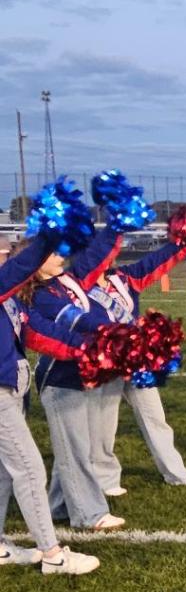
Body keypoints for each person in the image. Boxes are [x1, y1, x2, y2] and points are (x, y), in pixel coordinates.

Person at [1, 235, 100, 573]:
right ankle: (52, 555)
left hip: (12, 391)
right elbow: (23, 266)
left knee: (4, 473)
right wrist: (52, 232)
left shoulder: (11, 301)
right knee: (30, 470)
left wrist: (94, 348)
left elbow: (41, 333)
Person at [21, 229, 126, 530]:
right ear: (36, 261)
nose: (61, 256)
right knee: (76, 450)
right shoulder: (41, 295)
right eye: (53, 253)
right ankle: (89, 514)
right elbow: (77, 320)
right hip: (59, 378)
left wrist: (116, 224)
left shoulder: (63, 284)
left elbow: (96, 255)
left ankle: (58, 505)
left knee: (74, 446)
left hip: (77, 373)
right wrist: (117, 330)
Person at [83, 226, 186, 494]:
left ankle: (175, 472)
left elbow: (157, 260)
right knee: (103, 424)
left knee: (155, 417)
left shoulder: (125, 278)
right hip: (105, 364)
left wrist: (185, 241)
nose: (108, 257)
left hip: (135, 363)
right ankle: (106, 479)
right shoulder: (79, 287)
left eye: (110, 252)